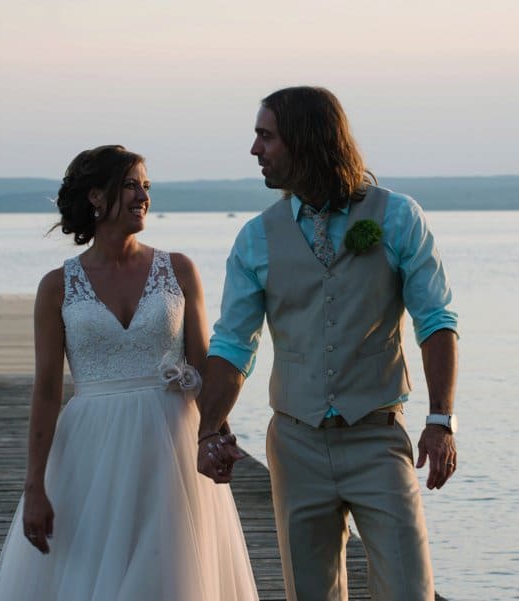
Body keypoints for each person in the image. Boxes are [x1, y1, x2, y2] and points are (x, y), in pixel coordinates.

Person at [196, 87, 459, 601]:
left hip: (378, 439)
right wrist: (208, 431)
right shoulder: (256, 237)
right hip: (295, 445)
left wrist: (441, 420)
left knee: (411, 591)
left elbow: (436, 322)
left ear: (306, 140)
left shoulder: (399, 217)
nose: (255, 150)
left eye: (266, 136)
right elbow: (232, 346)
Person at [0, 145, 259, 600]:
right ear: (96, 196)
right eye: (131, 184)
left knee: (170, 576)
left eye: (146, 186)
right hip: (90, 455)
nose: (143, 196)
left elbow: (202, 366)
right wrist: (34, 486)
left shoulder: (179, 270)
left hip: (170, 446)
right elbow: (47, 395)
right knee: (94, 575)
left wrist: (216, 435)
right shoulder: (57, 287)